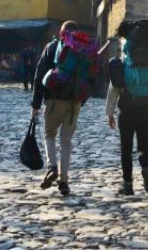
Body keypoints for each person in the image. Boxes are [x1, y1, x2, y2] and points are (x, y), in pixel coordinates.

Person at [31, 20, 90, 197]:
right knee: (66, 140)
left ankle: (52, 167)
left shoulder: (52, 47)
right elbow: (90, 76)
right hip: (74, 101)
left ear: (61, 32)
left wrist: (36, 104)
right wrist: (80, 100)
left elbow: (39, 75)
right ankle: (64, 181)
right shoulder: (82, 50)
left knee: (49, 134)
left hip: (54, 98)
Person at [106, 20, 148, 196]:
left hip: (127, 111)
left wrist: (109, 113)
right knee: (144, 147)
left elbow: (114, 89)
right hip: (147, 111)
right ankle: (145, 168)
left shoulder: (123, 67)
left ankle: (128, 185)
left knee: (126, 148)